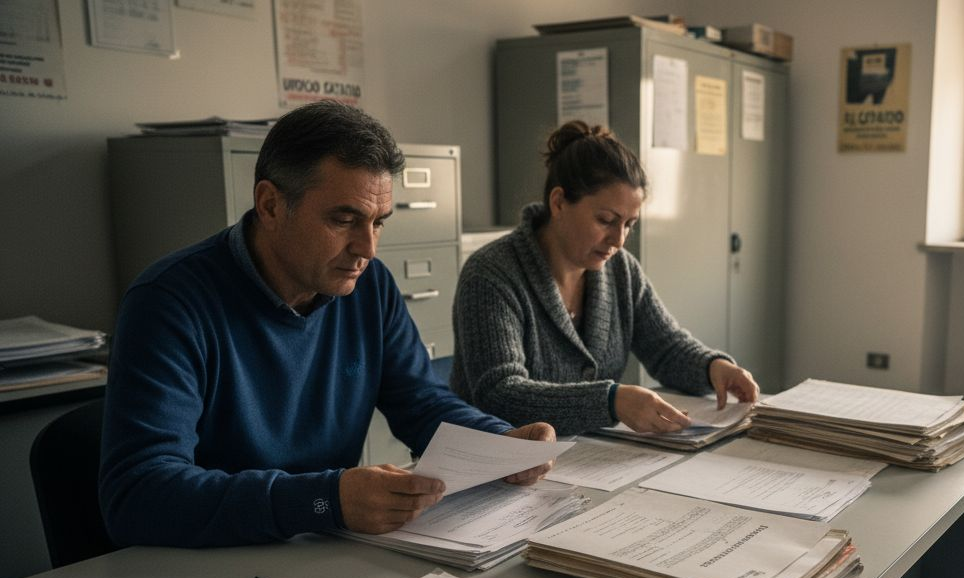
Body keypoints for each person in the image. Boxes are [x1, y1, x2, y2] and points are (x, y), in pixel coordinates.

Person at [99, 100, 555, 548]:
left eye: (378, 223)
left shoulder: (369, 285)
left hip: (323, 547)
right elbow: (139, 495)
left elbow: (420, 401)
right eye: (344, 219)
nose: (367, 248)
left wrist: (500, 442)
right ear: (270, 205)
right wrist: (324, 500)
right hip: (213, 564)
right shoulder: (169, 302)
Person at [452, 121, 759, 436]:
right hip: (499, 459)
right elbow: (500, 394)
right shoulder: (492, 274)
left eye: (629, 224)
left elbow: (666, 347)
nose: (619, 240)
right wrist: (610, 401)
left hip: (587, 453)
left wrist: (712, 367)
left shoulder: (621, 270)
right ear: (558, 203)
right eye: (606, 220)